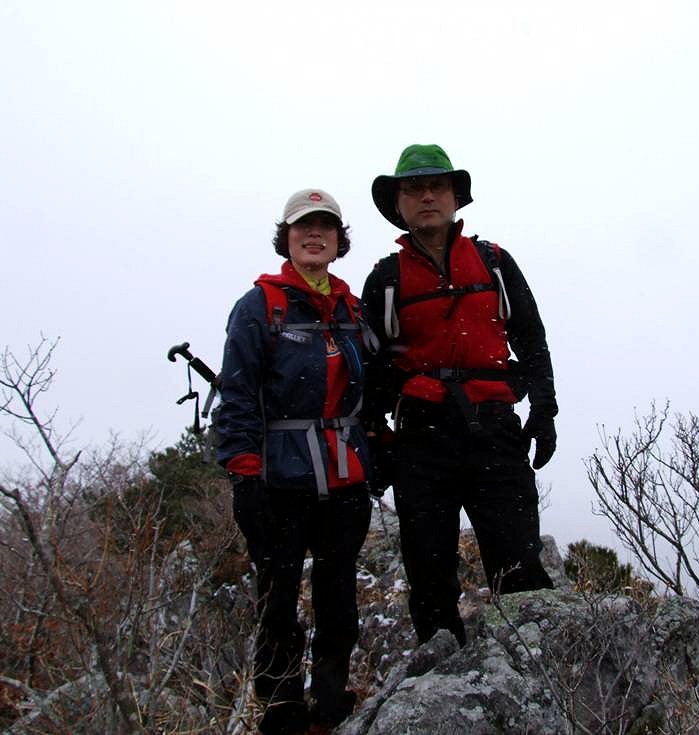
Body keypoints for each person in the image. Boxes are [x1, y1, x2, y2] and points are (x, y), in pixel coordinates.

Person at [362, 144, 558, 647]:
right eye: (413, 188)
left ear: (455, 197)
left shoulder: (493, 262)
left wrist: (544, 409)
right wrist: (373, 438)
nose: (426, 196)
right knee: (430, 580)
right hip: (420, 442)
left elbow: (531, 337)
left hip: (495, 430)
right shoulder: (384, 280)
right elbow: (370, 369)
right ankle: (438, 682)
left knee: (519, 569)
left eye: (437, 186)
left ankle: (535, 682)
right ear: (398, 204)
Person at [216, 189, 373, 735]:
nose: (315, 235)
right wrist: (243, 472)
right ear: (286, 237)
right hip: (279, 479)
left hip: (345, 479)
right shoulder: (261, 306)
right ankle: (282, 705)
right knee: (278, 596)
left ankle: (330, 697)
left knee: (339, 595)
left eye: (326, 227)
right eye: (304, 226)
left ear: (339, 241)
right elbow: (235, 394)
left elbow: (368, 392)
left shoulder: (353, 308)